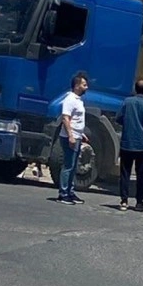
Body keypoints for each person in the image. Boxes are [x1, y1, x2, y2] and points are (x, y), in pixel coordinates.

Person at [116, 79, 143, 212]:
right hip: (142, 144)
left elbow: (119, 118)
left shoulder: (127, 102)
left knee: (125, 173)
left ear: (135, 89)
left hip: (127, 142)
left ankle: (124, 201)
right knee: (140, 174)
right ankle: (139, 202)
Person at [57, 73, 89, 205]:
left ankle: (70, 191)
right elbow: (66, 118)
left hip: (76, 136)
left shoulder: (78, 100)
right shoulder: (70, 99)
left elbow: (76, 120)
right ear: (76, 86)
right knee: (68, 165)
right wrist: (70, 135)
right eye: (84, 85)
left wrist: (80, 134)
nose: (86, 87)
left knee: (74, 165)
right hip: (70, 137)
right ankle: (63, 194)